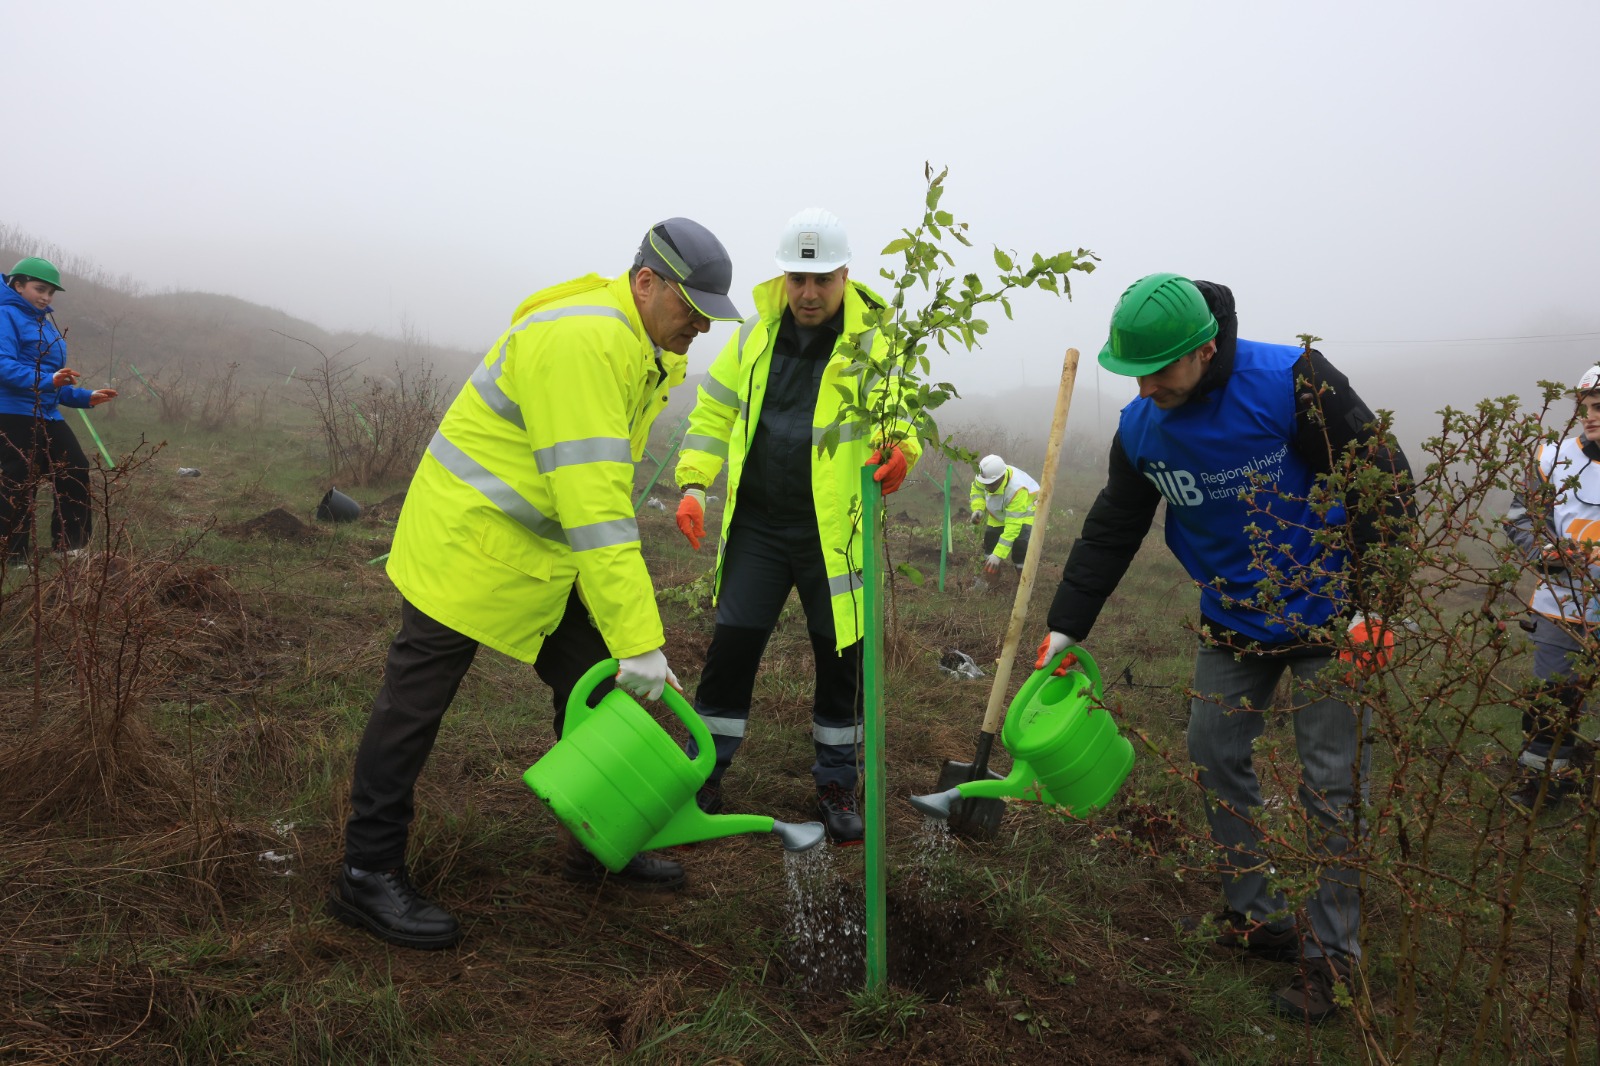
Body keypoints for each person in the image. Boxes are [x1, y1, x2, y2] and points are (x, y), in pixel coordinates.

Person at [330, 218, 743, 950]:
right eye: (694, 308)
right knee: (415, 702)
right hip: (466, 542)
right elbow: (597, 507)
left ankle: (598, 839)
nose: (703, 326)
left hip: (536, 553)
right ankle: (365, 873)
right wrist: (642, 638)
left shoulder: (640, 342)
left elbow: (592, 497)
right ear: (646, 283)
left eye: (712, 313)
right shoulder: (585, 343)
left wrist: (629, 644)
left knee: (594, 679)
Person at [1036, 273, 1413, 1022]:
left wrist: (1376, 603)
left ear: (1206, 349)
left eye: (1160, 370)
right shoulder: (1143, 427)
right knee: (1211, 749)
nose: (1145, 387)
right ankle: (1257, 914)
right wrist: (1066, 626)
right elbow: (1114, 525)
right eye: (1134, 372)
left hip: (1331, 614)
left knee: (1332, 784)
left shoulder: (1292, 381)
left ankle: (1333, 963)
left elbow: (1384, 475)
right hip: (1233, 616)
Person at [671, 207, 917, 844]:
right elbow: (714, 409)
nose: (808, 294)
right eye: (797, 279)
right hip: (757, 525)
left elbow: (899, 415)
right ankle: (705, 772)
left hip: (832, 534)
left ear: (844, 276)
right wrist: (694, 484)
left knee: (842, 657)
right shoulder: (754, 335)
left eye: (822, 280)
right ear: (784, 277)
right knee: (731, 648)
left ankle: (837, 783)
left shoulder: (877, 344)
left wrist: (902, 449)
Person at [1502, 364, 1600, 810]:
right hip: (1561, 607)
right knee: (1551, 700)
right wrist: (1544, 551)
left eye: (1598, 407)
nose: (1588, 417)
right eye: (1584, 408)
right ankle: (1542, 784)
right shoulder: (1552, 457)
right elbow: (1521, 516)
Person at [0, 257, 117, 564]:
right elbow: (3, 366)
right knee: (17, 481)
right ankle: (14, 558)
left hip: (48, 414)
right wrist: (48, 379)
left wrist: (85, 396)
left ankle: (70, 548)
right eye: (40, 289)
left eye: (51, 293)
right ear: (18, 284)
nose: (46, 297)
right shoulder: (5, 315)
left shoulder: (44, 323)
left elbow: (54, 382)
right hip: (13, 413)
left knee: (75, 468)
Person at [968, 453, 1037, 575]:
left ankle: (1023, 585)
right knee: (990, 543)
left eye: (991, 484)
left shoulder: (1017, 489)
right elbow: (977, 491)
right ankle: (990, 585)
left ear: (1001, 477)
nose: (987, 488)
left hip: (1024, 512)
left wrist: (998, 555)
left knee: (1020, 547)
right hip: (999, 511)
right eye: (986, 484)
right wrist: (978, 509)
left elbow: (1013, 526)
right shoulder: (984, 475)